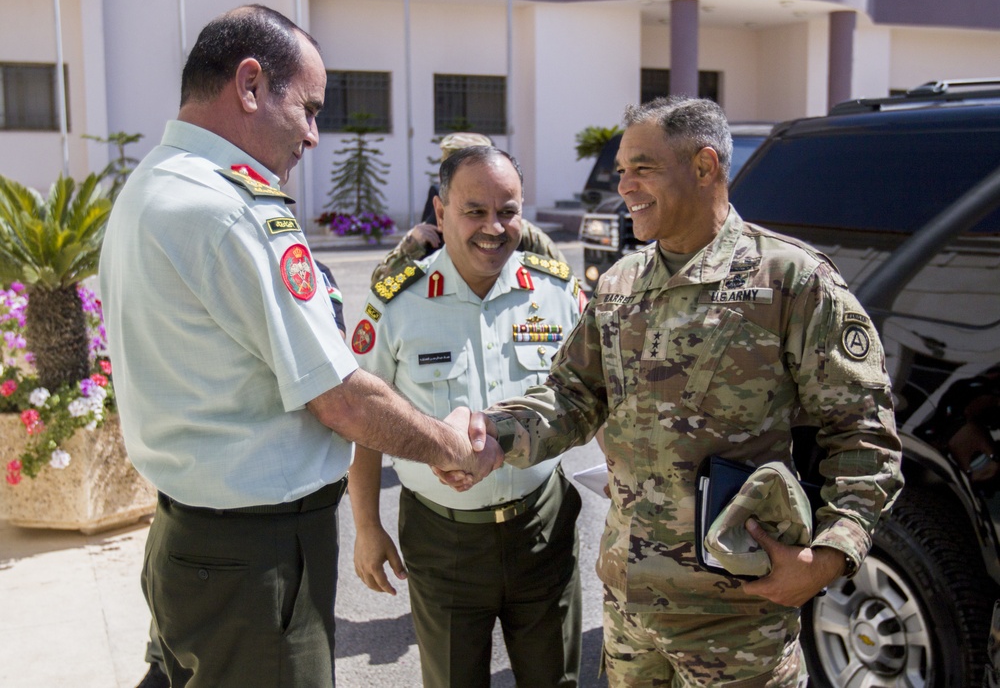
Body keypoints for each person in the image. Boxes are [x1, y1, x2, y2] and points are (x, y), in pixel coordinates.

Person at [99, 5, 500, 688]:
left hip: (191, 541)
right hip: (255, 560)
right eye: (309, 109)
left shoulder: (153, 185)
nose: (314, 135)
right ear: (250, 85)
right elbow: (340, 399)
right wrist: (449, 446)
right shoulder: (232, 211)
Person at [453, 96, 904, 686]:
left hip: (738, 617)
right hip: (630, 609)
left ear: (704, 165)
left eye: (642, 168)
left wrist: (827, 558)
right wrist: (493, 434)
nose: (624, 186)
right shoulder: (619, 283)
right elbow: (572, 396)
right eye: (620, 171)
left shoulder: (790, 280)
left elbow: (864, 436)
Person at [347, 145, 588, 687]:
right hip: (443, 539)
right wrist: (366, 526)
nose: (493, 227)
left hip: (541, 529)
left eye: (507, 210)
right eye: (474, 210)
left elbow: (599, 396)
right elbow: (363, 422)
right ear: (440, 212)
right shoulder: (398, 303)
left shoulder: (556, 294)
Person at [135, 259, 349, 688]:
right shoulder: (242, 264)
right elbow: (335, 394)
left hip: (185, 523)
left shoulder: (309, 270)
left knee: (174, 665)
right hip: (248, 537)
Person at [369, 132, 567, 284]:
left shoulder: (522, 232)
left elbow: (564, 280)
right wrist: (413, 244)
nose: (492, 226)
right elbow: (381, 285)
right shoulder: (427, 230)